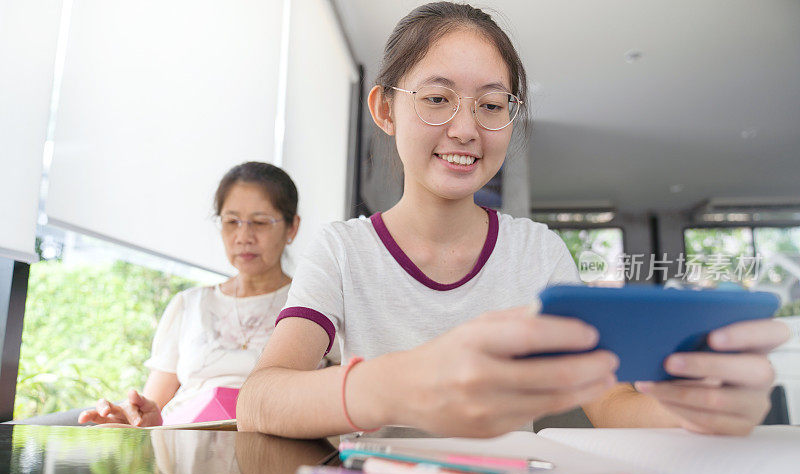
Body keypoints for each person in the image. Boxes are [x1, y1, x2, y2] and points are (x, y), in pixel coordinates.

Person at [237, 2, 789, 439]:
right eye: (437, 98)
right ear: (385, 110)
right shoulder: (341, 251)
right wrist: (399, 385)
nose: (465, 129)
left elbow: (610, 401)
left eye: (492, 105)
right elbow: (260, 399)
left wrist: (694, 415)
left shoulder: (538, 254)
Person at [79, 162, 314, 427]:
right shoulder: (189, 305)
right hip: (183, 448)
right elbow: (153, 406)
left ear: (292, 228)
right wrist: (134, 416)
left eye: (259, 222)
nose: (243, 236)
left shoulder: (311, 306)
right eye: (231, 221)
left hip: (268, 445)